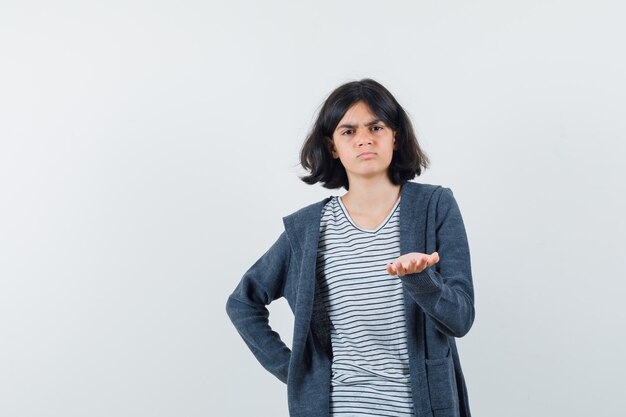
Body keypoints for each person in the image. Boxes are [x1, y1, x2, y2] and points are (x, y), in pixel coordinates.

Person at [226, 79, 475, 417]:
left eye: (376, 126)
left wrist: (422, 281)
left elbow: (460, 319)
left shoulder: (435, 206)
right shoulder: (307, 230)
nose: (364, 139)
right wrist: (300, 373)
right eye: (348, 131)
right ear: (332, 147)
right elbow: (243, 303)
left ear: (395, 136)